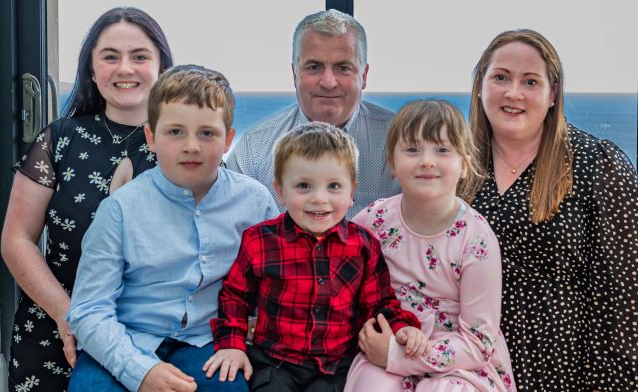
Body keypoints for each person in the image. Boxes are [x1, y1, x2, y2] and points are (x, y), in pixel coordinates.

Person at [459, 29, 638, 391]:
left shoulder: (598, 165)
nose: (513, 92)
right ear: (480, 86)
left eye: (530, 81)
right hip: (471, 375)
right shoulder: (456, 168)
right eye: (500, 77)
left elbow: (632, 303)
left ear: (552, 94)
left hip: (570, 377)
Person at [65, 65, 278, 392]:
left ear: (228, 140)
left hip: (208, 339)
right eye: (175, 132)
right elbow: (89, 310)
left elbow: (277, 278)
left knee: (229, 389)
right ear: (151, 137)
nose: (191, 146)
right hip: (127, 336)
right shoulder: (120, 211)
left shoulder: (255, 202)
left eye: (207, 133)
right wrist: (141, 372)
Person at [0, 7, 173, 391]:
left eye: (140, 56)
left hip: (155, 338)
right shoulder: (59, 139)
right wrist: (69, 316)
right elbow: (17, 240)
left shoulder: (184, 149)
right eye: (110, 57)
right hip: (55, 329)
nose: (125, 68)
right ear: (92, 71)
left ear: (162, 67)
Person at [205, 123, 426, 391]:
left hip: (336, 367)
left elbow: (379, 304)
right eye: (303, 186)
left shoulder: (363, 246)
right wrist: (232, 345)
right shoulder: (259, 241)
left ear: (352, 191)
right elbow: (234, 298)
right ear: (281, 191)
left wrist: (401, 328)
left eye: (334, 186)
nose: (319, 199)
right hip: (275, 363)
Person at [344, 99, 516, 391]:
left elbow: (478, 342)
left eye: (442, 150)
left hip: (459, 362)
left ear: (465, 164)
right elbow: (336, 275)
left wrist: (398, 357)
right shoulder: (374, 220)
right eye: (412, 149)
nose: (426, 160)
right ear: (392, 163)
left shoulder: (476, 239)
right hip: (390, 339)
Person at [226, 9, 399, 217]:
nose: (328, 82)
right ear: (294, 73)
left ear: (364, 75)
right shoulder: (253, 152)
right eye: (314, 67)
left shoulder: (400, 142)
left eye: (343, 68)